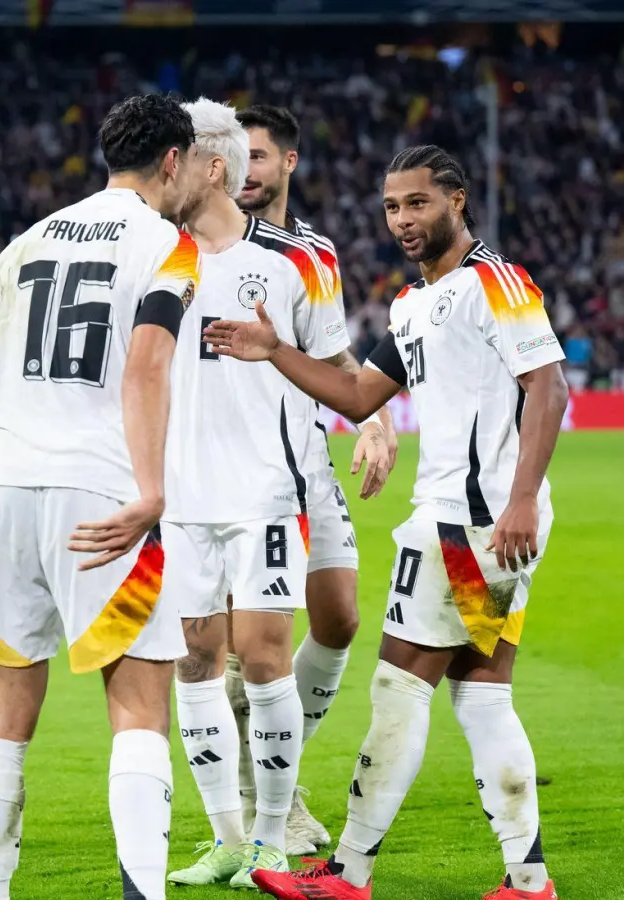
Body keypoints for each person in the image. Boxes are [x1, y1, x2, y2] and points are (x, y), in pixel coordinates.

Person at [203, 145, 566, 900]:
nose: (403, 220)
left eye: (418, 204)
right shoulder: (412, 303)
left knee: (400, 688)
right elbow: (357, 395)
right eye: (392, 207)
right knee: (483, 693)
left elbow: (549, 388)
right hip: (474, 526)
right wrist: (274, 350)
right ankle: (528, 879)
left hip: (468, 525)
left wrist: (523, 498)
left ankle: (349, 873)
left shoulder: (493, 284)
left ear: (457, 201)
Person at [0, 93, 201, 900]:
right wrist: (152, 491)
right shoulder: (168, 244)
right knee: (141, 703)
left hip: (7, 488)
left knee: (5, 708)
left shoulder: (27, 241)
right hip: (102, 493)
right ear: (174, 161)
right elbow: (147, 364)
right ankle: (142, 892)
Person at [158, 98, 352, 890]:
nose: (161, 174)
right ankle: (229, 837)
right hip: (178, 498)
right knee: (196, 659)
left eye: (175, 159)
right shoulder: (153, 257)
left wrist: (363, 423)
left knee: (266, 658)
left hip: (268, 493)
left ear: (211, 166)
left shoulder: (292, 261)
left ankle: (274, 837)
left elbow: (338, 371)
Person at [213, 103, 398, 855]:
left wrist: (373, 419)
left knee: (341, 619)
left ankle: (274, 769)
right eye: (234, 158)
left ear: (287, 162)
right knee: (247, 646)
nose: (243, 172)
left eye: (257, 157)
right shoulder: (199, 245)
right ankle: (267, 805)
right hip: (232, 471)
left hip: (307, 461)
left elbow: (334, 356)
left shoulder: (315, 253)